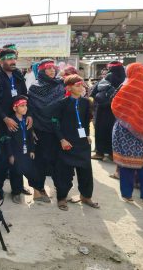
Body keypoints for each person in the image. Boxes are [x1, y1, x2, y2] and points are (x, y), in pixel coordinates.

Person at [111, 63, 143, 204]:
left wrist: (129, 119)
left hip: (125, 132)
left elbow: (115, 106)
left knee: (126, 165)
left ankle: (127, 195)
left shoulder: (126, 87)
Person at [0, 48, 32, 202]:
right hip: (2, 124)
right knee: (3, 158)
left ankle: (17, 189)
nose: (12, 61)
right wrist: (5, 118)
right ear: (0, 61)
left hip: (18, 123)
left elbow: (26, 97)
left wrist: (28, 114)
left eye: (14, 58)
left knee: (17, 156)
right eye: (8, 58)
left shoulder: (19, 76)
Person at [52, 74, 99, 211]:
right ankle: (61, 198)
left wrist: (87, 135)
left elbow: (85, 122)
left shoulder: (86, 102)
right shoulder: (62, 103)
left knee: (86, 171)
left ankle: (86, 196)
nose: (81, 87)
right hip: (67, 143)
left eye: (82, 84)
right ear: (69, 87)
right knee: (64, 173)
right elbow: (55, 123)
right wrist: (62, 139)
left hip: (82, 143)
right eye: (77, 85)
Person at [28, 59, 65, 202]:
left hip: (59, 129)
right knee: (41, 161)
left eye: (53, 68)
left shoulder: (60, 84)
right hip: (41, 129)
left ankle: (60, 190)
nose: (52, 71)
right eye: (48, 69)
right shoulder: (35, 88)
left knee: (57, 161)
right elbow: (31, 108)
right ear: (42, 71)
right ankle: (38, 190)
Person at [90, 61, 125, 161]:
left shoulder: (108, 77)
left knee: (101, 130)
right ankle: (112, 153)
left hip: (103, 109)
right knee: (113, 131)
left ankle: (100, 152)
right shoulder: (125, 79)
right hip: (117, 110)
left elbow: (94, 91)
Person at [6, 95, 36, 204]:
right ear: (15, 108)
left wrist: (32, 150)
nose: (25, 108)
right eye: (22, 106)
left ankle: (21, 187)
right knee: (15, 173)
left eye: (26, 106)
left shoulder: (27, 120)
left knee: (23, 169)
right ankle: (16, 192)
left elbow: (30, 137)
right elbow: (8, 139)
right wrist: (10, 155)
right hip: (16, 152)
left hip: (26, 151)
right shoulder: (11, 121)